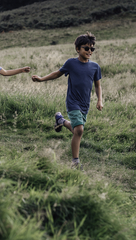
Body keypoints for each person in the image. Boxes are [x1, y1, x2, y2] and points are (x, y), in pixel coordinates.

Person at [32, 32, 103, 169]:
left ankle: (61, 120)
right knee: (80, 130)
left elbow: (98, 85)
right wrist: (41, 79)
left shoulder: (95, 67)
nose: (89, 51)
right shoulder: (71, 63)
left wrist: (100, 100)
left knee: (77, 131)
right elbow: (57, 74)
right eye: (86, 48)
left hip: (85, 104)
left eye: (92, 49)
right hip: (73, 102)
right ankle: (75, 162)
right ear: (78, 49)